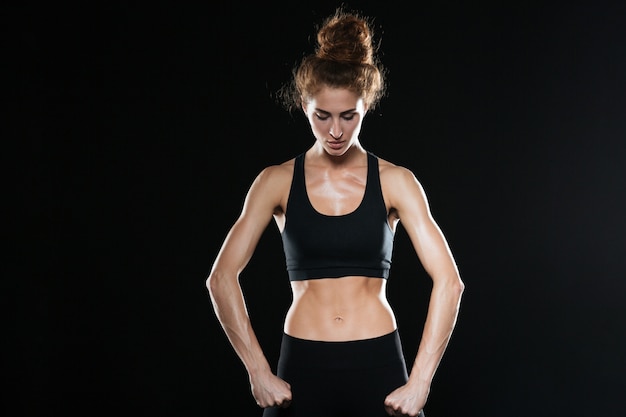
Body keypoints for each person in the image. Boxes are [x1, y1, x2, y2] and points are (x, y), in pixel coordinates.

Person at [207, 7, 464, 417]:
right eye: (321, 116)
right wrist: (257, 370)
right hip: (301, 370)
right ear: (304, 106)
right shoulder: (275, 181)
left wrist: (420, 382)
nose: (336, 131)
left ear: (366, 107)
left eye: (349, 116)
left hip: (378, 365)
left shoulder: (397, 181)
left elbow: (450, 283)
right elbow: (220, 278)